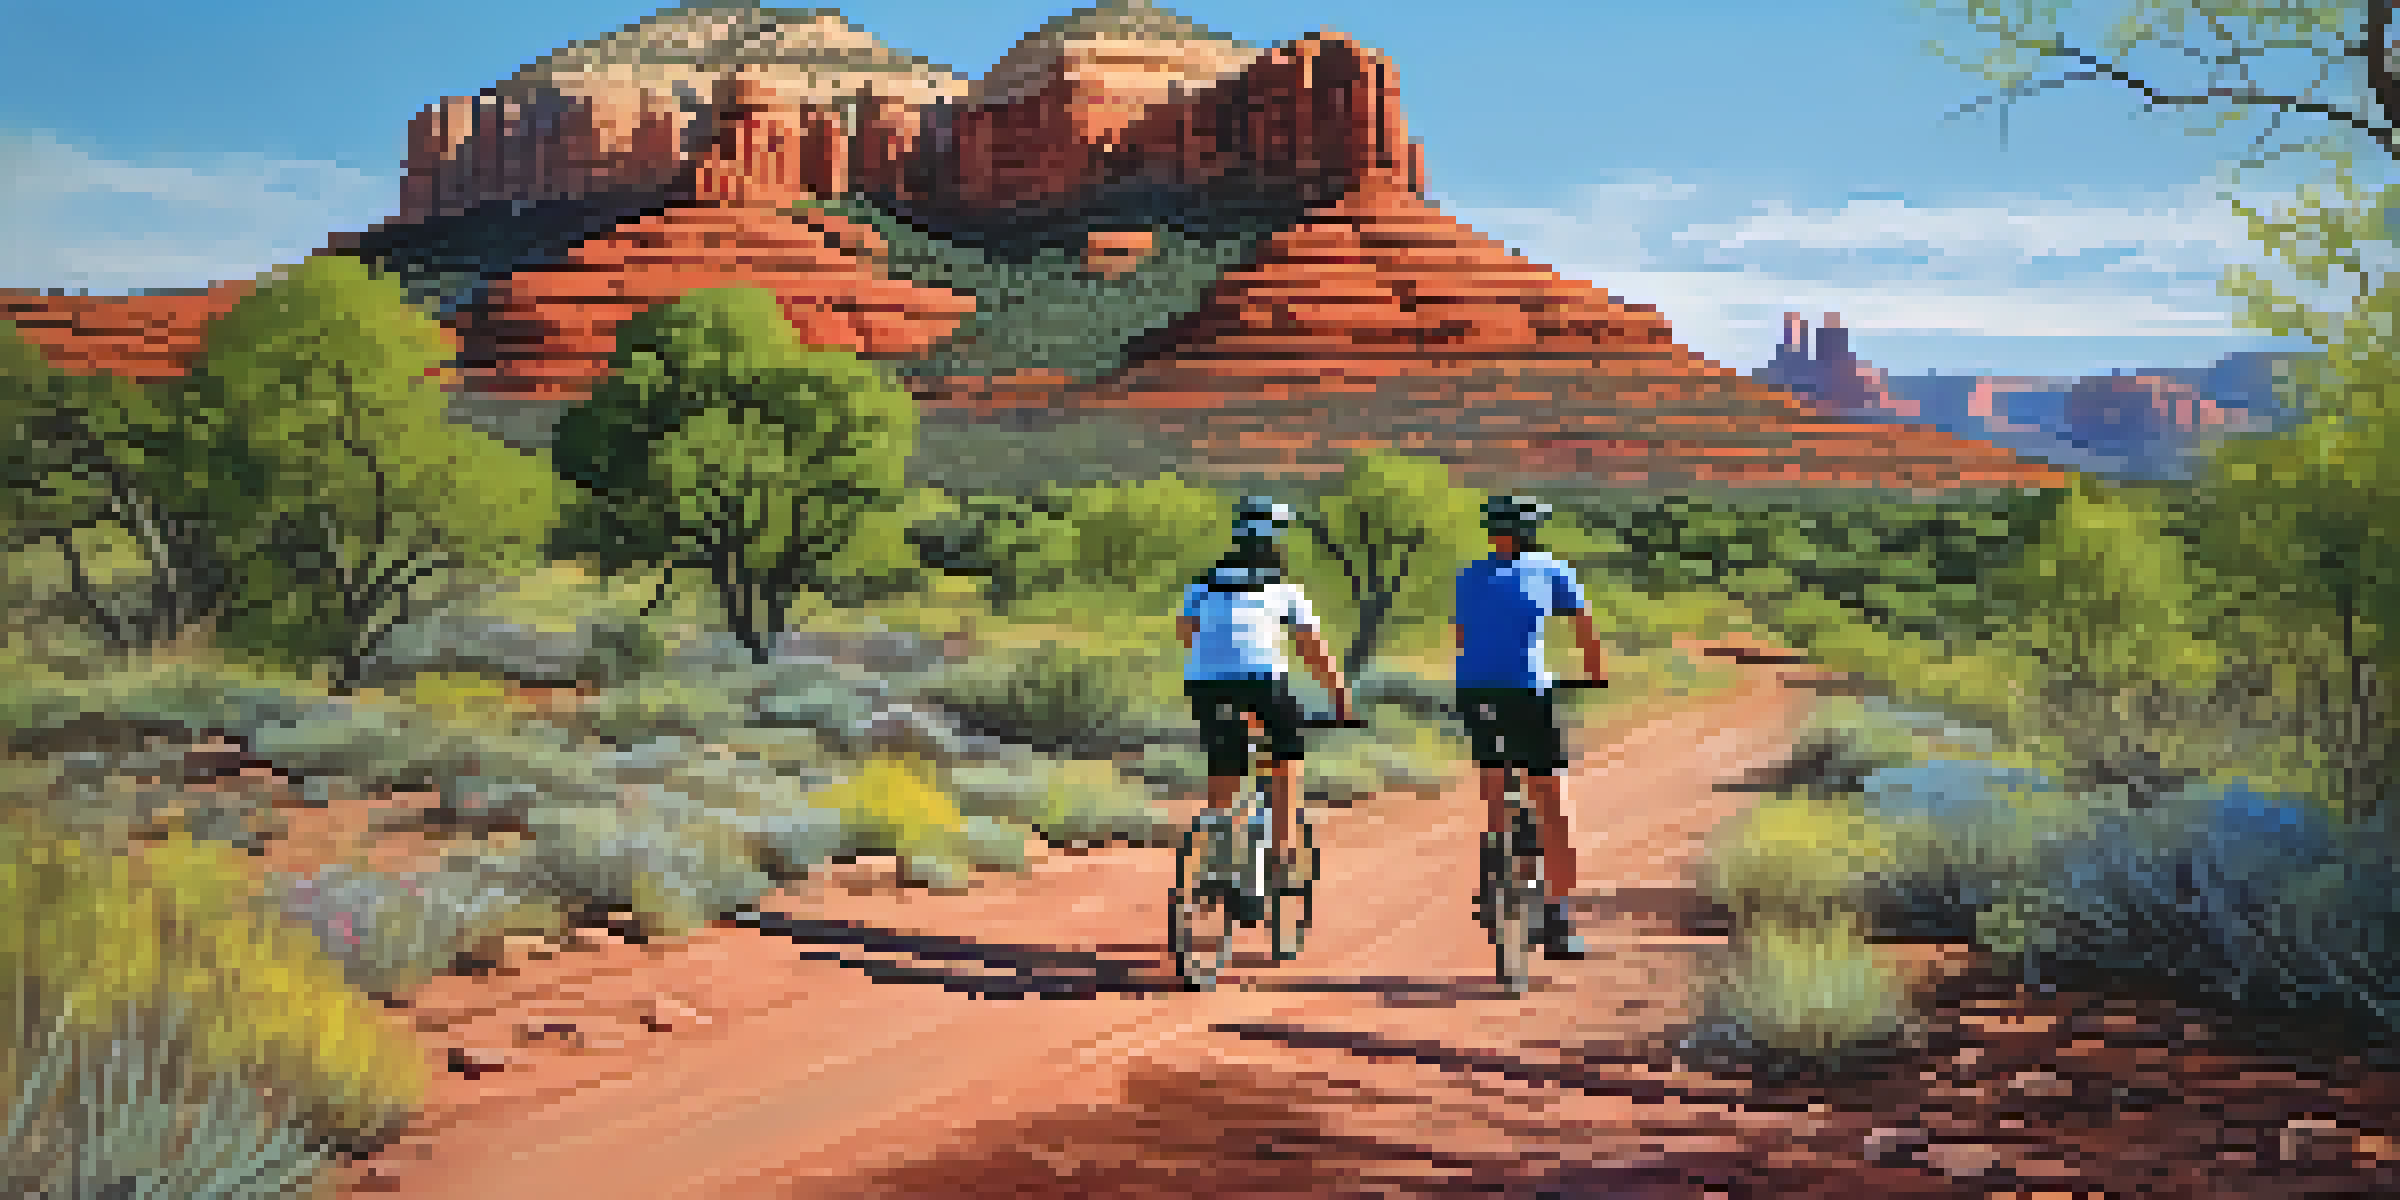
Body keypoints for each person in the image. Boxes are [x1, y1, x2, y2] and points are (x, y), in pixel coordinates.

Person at [1454, 495, 1609, 959]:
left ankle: (1496, 867)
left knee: (1495, 777)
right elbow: (1583, 626)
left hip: (1475, 690)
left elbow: (1462, 637)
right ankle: (1559, 919)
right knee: (1550, 798)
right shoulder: (1552, 570)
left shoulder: (1468, 576)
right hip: (1528, 691)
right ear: (1530, 531)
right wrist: (1595, 673)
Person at [1175, 497, 1354, 887]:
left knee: (1225, 763)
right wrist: (1340, 698)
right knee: (1286, 756)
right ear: (1276, 543)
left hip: (1205, 683)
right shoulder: (1284, 591)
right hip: (1262, 680)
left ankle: (1220, 853)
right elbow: (1312, 651)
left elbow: (1187, 637)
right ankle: (1281, 855)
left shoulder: (1201, 585)